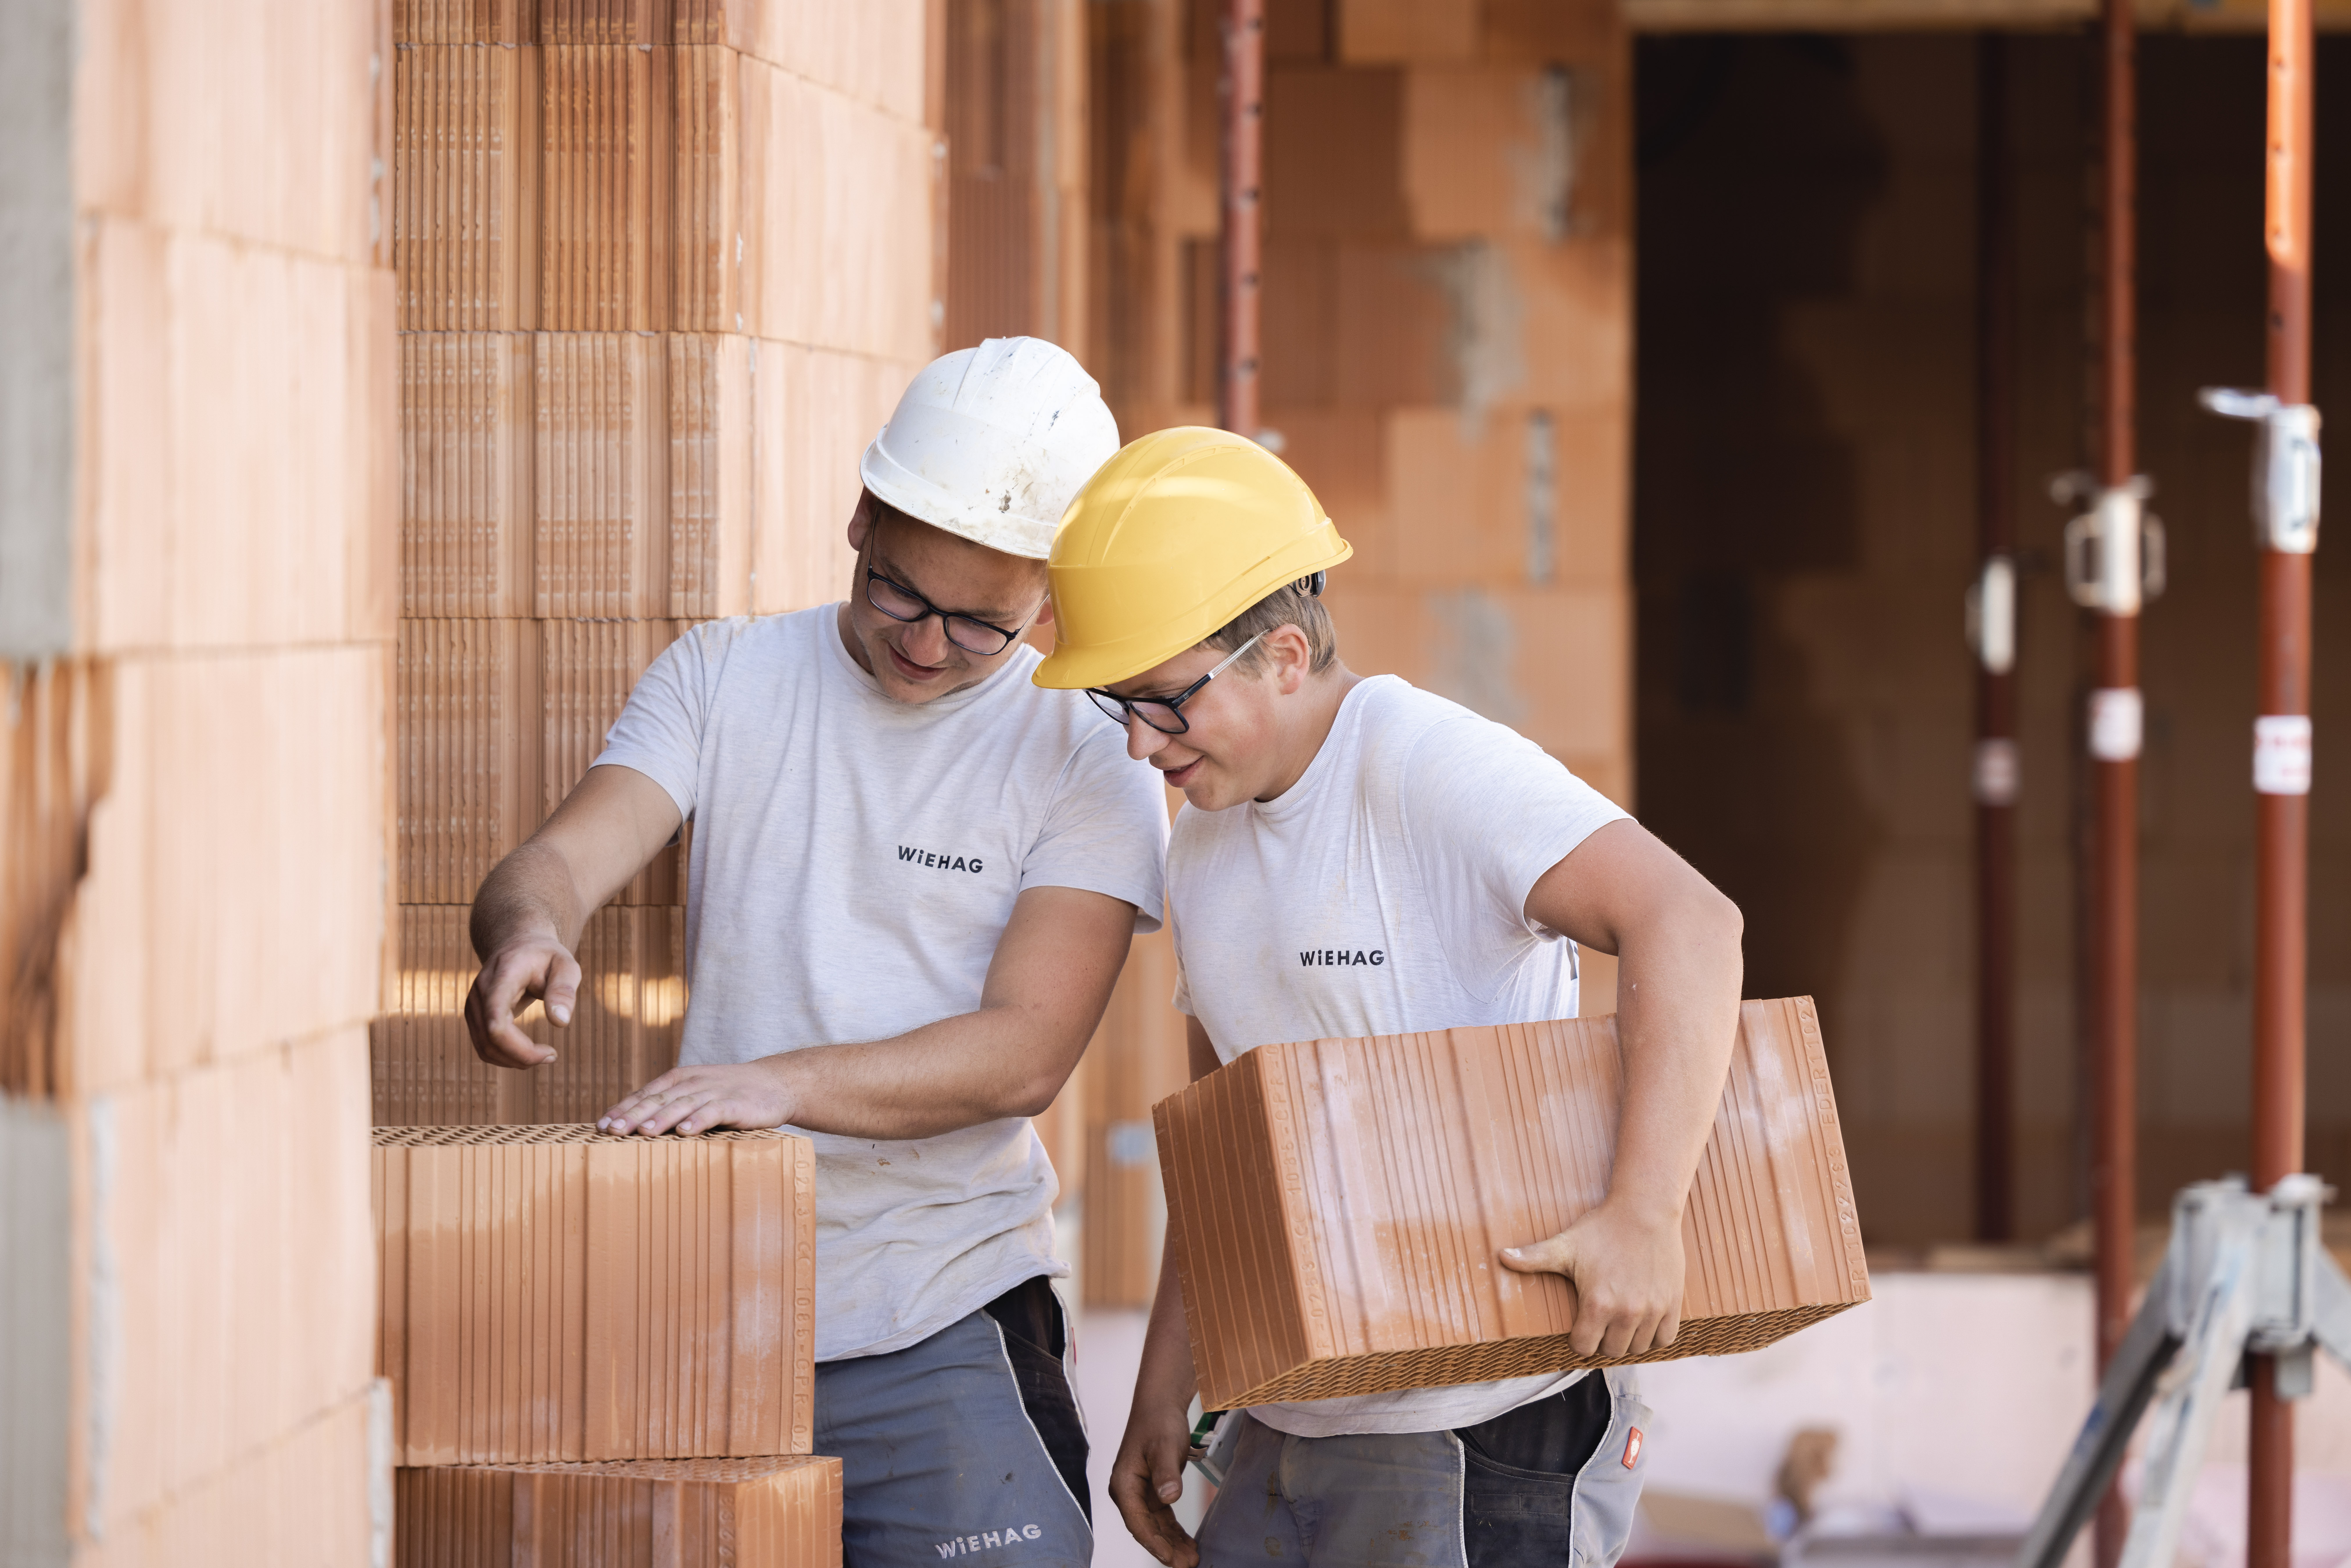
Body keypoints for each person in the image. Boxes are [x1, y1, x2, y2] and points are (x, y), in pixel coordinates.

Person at [463, 338, 1171, 1568]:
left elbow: (1023, 1056)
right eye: (900, 591)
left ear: (1048, 605)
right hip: (710, 1311)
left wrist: (776, 1084)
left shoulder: (1088, 752)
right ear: (859, 518)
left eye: (980, 626)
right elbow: (559, 862)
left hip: (941, 1309)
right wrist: (525, 933)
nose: (926, 643)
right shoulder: (727, 677)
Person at [1033, 427, 1746, 1568]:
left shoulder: (1423, 765)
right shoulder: (1208, 843)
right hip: (1291, 1411)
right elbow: (1230, 1151)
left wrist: (1643, 1217)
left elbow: (1692, 924)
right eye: (1116, 704)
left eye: (1162, 702)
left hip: (1483, 1420)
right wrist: (1165, 1387)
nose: (1135, 742)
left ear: (1277, 654)